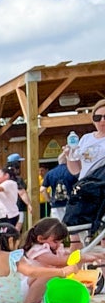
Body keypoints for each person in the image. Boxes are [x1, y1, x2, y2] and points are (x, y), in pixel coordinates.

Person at [17, 218, 103, 303]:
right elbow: (58, 261)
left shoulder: (56, 248)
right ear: (41, 239)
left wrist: (94, 256)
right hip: (26, 288)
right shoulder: (37, 250)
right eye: (55, 241)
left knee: (60, 274)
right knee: (48, 274)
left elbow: (71, 255)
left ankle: (43, 302)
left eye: (60, 241)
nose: (58, 245)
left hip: (41, 287)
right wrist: (81, 258)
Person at [63, 101, 105, 237]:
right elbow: (76, 170)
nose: (102, 121)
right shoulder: (86, 138)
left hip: (102, 189)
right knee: (75, 233)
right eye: (97, 118)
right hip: (86, 190)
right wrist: (69, 155)